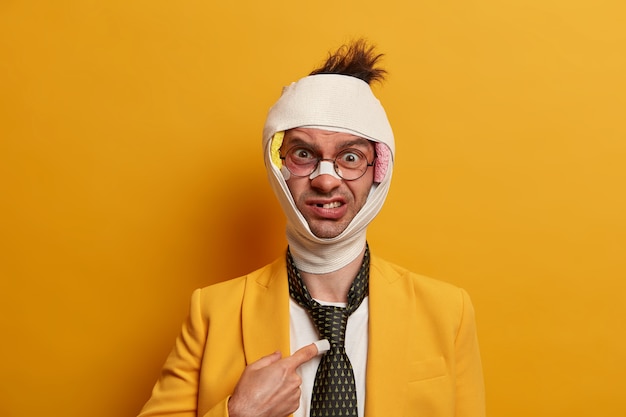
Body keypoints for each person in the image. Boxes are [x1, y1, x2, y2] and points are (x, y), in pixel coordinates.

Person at [138, 39, 485, 417]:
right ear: (278, 166)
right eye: (303, 154)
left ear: (378, 171)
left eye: (350, 157)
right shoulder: (213, 312)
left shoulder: (448, 312)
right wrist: (240, 413)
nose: (326, 180)